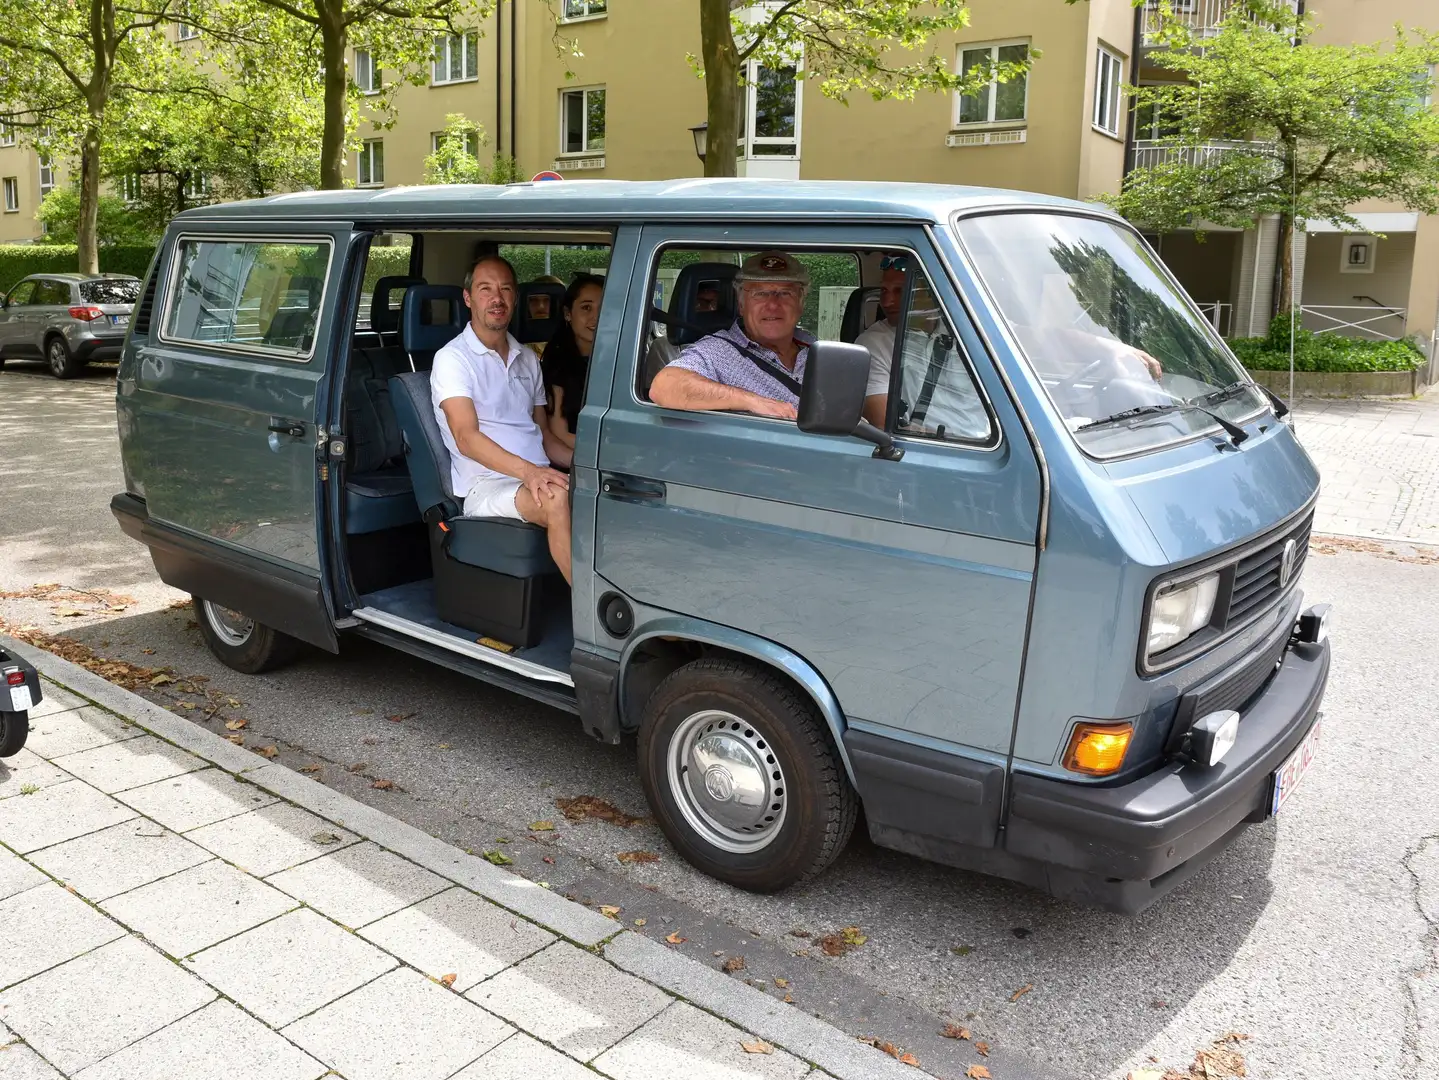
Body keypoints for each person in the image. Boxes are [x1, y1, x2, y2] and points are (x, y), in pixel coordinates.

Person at [430, 254, 573, 584]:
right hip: (487, 486)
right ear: (468, 298)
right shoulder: (452, 359)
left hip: (537, 476)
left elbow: (545, 437)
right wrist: (531, 472)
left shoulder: (527, 359)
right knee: (556, 497)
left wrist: (589, 465)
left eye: (505, 289)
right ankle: (593, 620)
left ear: (515, 298)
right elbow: (466, 437)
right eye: (485, 289)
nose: (497, 298)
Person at [649, 251, 811, 420]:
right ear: (741, 305)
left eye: (785, 293)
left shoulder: (815, 348)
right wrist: (753, 401)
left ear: (801, 304)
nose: (772, 305)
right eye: (760, 293)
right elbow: (665, 386)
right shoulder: (718, 351)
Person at [541, 273, 604, 452]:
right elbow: (559, 432)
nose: (596, 317)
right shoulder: (557, 363)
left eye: (603, 308)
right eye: (586, 308)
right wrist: (609, 455)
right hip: (579, 458)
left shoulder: (619, 362)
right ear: (568, 314)